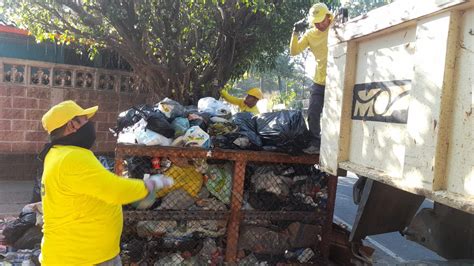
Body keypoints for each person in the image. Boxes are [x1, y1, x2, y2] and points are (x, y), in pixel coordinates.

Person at [38, 100, 173, 265]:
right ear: (72, 125)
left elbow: (100, 187)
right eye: (84, 119)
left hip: (78, 254)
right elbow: (114, 191)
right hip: (81, 258)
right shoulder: (72, 158)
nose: (90, 124)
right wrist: (148, 185)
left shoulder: (58, 154)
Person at [290, 3, 333, 154]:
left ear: (329, 16)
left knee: (335, 114)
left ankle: (333, 145)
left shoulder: (338, 26)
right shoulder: (310, 34)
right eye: (316, 22)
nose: (319, 24)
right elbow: (294, 51)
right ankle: (315, 143)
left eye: (322, 20)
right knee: (313, 112)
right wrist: (295, 32)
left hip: (338, 81)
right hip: (320, 81)